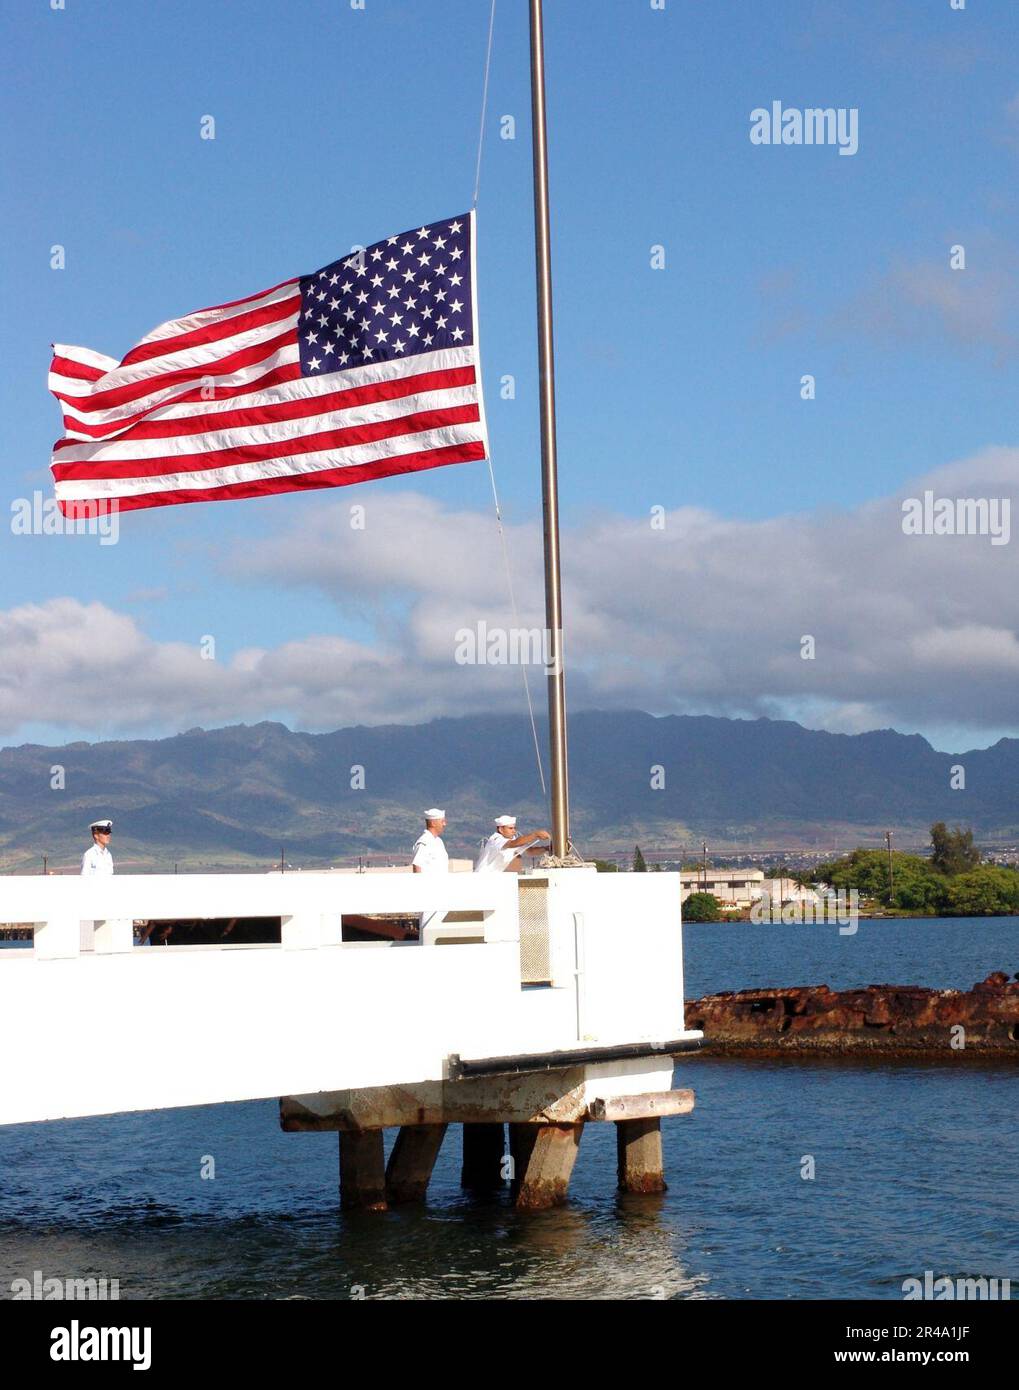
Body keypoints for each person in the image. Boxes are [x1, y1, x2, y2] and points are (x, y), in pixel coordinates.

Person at [411, 808, 448, 934]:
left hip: (441, 891)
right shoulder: (424, 842)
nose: (445, 824)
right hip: (429, 891)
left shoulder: (438, 842)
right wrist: (420, 889)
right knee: (428, 926)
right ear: (433, 823)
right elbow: (417, 865)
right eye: (442, 821)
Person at [475, 815, 550, 874]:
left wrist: (547, 848)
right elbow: (512, 844)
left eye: (514, 828)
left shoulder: (512, 841)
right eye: (510, 828)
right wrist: (535, 835)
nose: (514, 831)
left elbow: (531, 851)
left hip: (495, 876)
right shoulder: (495, 839)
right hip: (482, 877)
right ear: (501, 829)